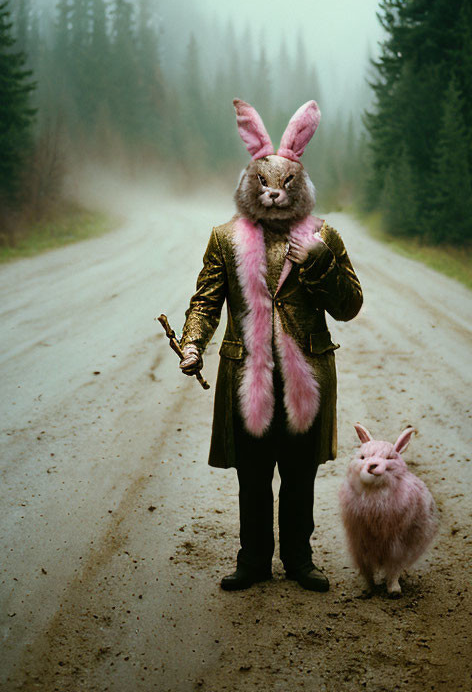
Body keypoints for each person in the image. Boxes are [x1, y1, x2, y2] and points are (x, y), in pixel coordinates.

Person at [179, 99, 363, 592]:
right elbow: (205, 300)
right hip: (248, 377)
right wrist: (192, 344)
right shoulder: (224, 238)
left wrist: (320, 261)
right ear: (250, 184)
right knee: (254, 477)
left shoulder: (325, 236)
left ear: (300, 186)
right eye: (264, 183)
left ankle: (300, 560)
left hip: (307, 376)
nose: (276, 194)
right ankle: (254, 560)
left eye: (286, 185)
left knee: (300, 477)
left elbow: (350, 306)